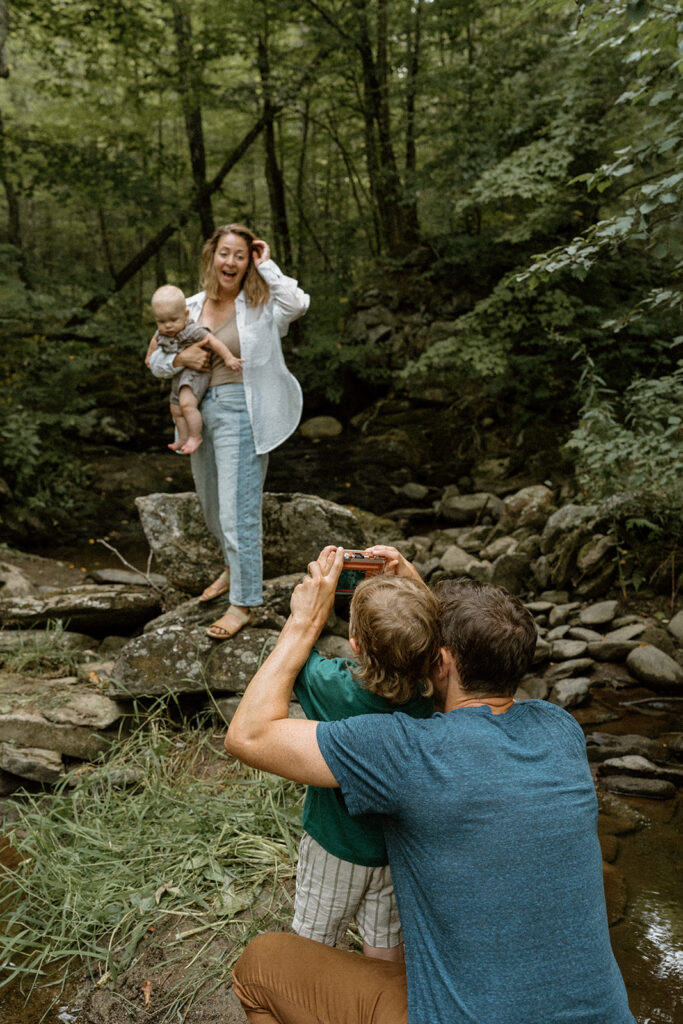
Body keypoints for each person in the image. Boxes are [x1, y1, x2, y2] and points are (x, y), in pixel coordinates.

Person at [225, 545, 636, 1024]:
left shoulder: (407, 753)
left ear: (440, 662)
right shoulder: (560, 730)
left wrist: (305, 621)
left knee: (261, 964)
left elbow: (248, 735)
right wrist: (414, 592)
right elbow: (475, 688)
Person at [147, 224, 308, 638]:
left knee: (238, 510)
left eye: (240, 254)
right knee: (211, 503)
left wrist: (266, 262)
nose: (231, 262)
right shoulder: (191, 305)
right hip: (198, 412)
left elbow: (299, 303)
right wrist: (182, 356)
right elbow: (155, 361)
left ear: (247, 260)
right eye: (225, 253)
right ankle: (233, 569)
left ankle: (244, 603)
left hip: (243, 409)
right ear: (211, 257)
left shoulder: (263, 304)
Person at [292, 574, 437, 961]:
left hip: (334, 848)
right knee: (385, 948)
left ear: (354, 643)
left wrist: (309, 611)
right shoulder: (430, 695)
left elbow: (294, 654)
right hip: (396, 851)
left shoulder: (331, 685)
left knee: (313, 942)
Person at [145, 284, 244, 455]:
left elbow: (213, 341)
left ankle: (195, 435)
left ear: (185, 315)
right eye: (162, 322)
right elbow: (154, 345)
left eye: (173, 320)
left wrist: (228, 357)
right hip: (179, 377)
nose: (168, 326)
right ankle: (183, 438)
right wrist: (150, 356)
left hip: (196, 373)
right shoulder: (163, 334)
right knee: (175, 409)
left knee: (187, 404)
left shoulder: (191, 330)